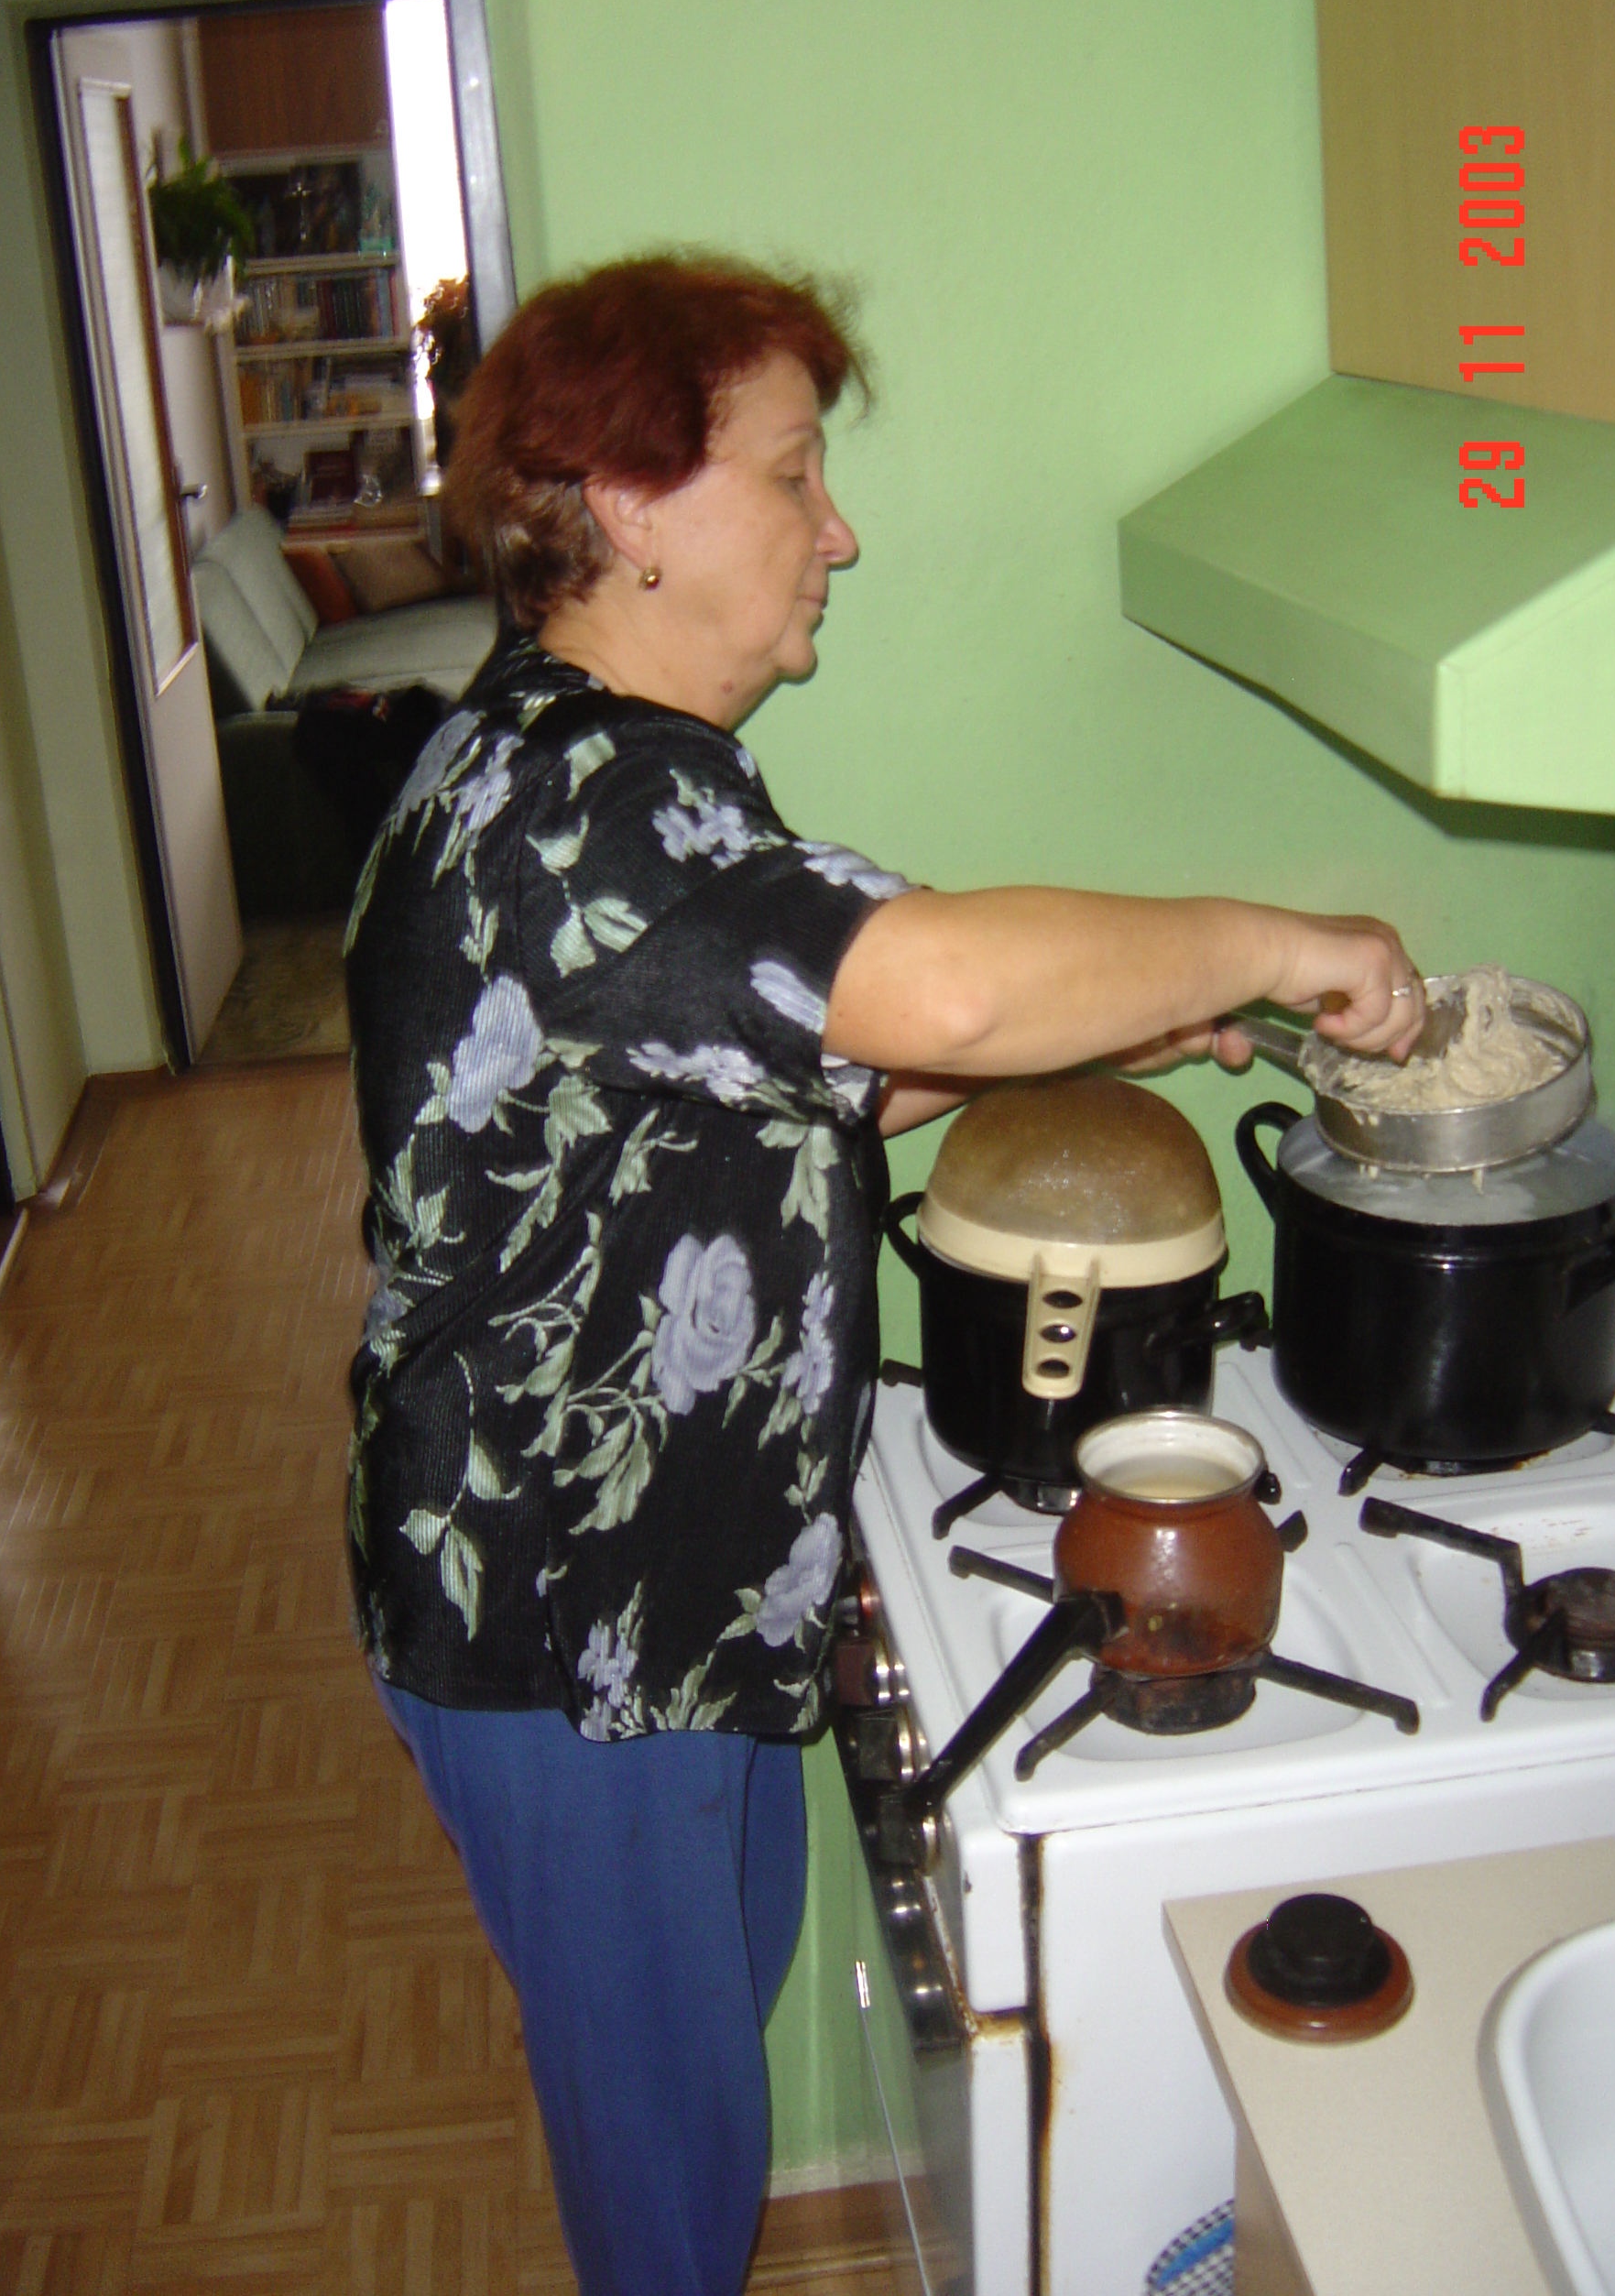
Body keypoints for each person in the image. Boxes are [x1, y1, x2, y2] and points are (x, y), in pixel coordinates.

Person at [342, 253, 1424, 2296]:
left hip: (666, 1592)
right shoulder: (585, 805)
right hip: (566, 1617)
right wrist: (1284, 944)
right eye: (791, 474)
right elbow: (939, 986)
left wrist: (1132, 1024)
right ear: (628, 505)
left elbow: (804, 1073)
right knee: (668, 2193)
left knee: (700, 2072)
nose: (835, 532)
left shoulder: (591, 767)